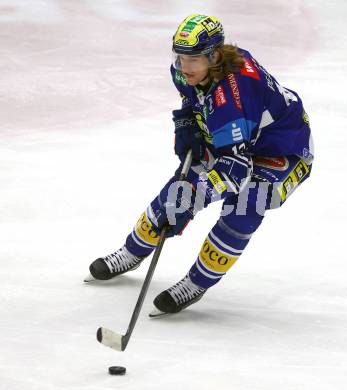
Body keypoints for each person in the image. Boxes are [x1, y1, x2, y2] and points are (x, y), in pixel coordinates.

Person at [85, 14, 314, 315]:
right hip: (233, 139)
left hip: (283, 150)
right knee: (176, 193)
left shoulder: (234, 98)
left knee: (244, 206)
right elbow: (191, 98)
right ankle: (131, 252)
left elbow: (235, 171)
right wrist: (186, 122)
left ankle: (196, 283)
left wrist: (194, 197)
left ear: (214, 55)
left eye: (192, 59)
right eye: (179, 57)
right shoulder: (186, 72)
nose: (184, 66)